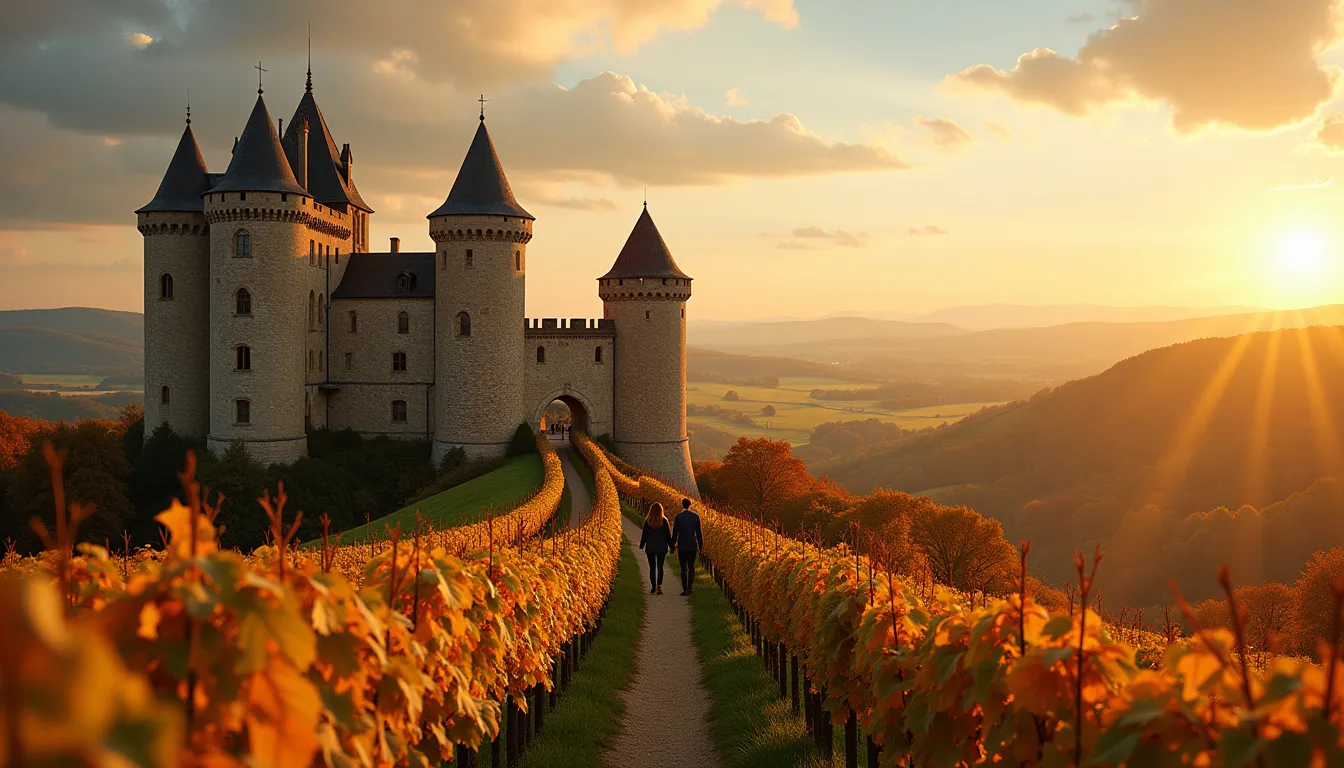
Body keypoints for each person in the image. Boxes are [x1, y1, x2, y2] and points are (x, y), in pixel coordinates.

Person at [670, 497, 702, 596]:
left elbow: (675, 533)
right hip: (692, 545)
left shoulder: (678, 517)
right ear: (690, 505)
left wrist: (672, 546)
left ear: (682, 504)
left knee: (683, 567)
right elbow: (699, 533)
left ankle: (684, 589)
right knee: (691, 567)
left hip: (682, 545)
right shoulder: (696, 517)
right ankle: (690, 587)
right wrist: (700, 546)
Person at [638, 502, 672, 595]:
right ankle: (659, 586)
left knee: (652, 568)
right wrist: (672, 546)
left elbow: (644, 535)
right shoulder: (664, 521)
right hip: (662, 547)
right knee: (660, 567)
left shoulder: (648, 521)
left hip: (651, 547)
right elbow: (668, 536)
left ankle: (653, 587)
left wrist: (642, 545)